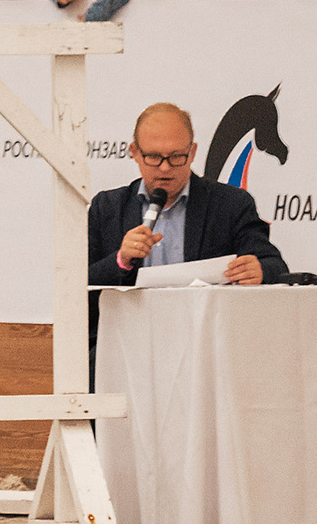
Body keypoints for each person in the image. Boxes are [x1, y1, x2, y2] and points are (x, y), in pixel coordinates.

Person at [86, 103, 289, 376]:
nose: (165, 168)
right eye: (154, 157)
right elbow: (78, 288)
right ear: (134, 152)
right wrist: (120, 261)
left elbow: (275, 265)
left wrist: (260, 270)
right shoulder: (108, 207)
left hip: (204, 350)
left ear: (192, 152)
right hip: (126, 347)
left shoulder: (230, 204)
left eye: (177, 157)